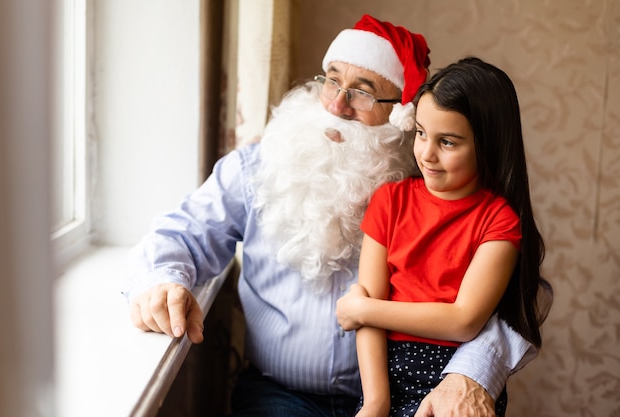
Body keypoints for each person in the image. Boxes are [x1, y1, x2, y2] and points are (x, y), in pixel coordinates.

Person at [124, 15, 545, 417]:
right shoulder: (257, 169)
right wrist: (162, 281)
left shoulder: (428, 183)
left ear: (399, 114)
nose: (338, 105)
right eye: (332, 81)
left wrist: (472, 370)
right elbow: (182, 233)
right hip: (280, 395)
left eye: (363, 91)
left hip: (408, 390)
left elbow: (511, 297)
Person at [336, 56, 551, 417]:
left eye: (448, 142)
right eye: (421, 133)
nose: (427, 154)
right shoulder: (390, 201)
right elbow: (370, 317)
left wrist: (364, 308)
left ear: (487, 144)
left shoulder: (499, 220)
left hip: (456, 376)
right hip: (383, 375)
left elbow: (463, 320)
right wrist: (375, 401)